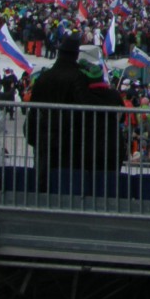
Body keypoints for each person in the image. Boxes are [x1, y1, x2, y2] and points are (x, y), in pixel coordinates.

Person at [26, 34, 91, 189]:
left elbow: (34, 108)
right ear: (75, 55)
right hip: (70, 136)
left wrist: (32, 133)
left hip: (44, 134)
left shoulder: (44, 77)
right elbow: (85, 106)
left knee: (42, 178)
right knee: (67, 179)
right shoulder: (78, 77)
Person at [77, 45, 126, 172]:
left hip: (89, 146)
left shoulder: (84, 96)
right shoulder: (114, 95)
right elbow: (123, 117)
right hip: (113, 145)